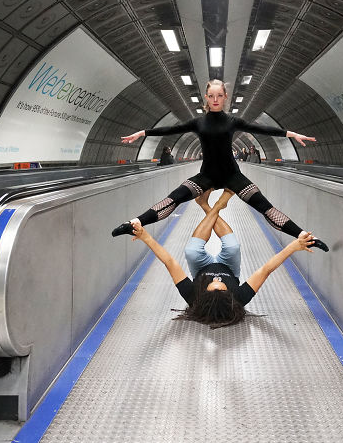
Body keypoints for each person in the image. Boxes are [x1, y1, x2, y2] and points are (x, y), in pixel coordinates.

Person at [113, 79, 329, 252]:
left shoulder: (233, 122)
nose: (215, 99)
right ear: (206, 97)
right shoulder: (198, 123)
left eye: (219, 95)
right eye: (211, 95)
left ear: (225, 97)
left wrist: (292, 134)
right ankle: (134, 224)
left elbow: (262, 130)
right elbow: (169, 130)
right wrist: (141, 133)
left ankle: (306, 237)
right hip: (206, 176)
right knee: (174, 198)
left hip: (232, 176)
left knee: (265, 206)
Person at [131, 188, 316, 328]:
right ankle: (214, 204)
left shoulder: (193, 295)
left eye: (212, 284)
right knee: (233, 246)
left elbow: (170, 262)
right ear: (229, 295)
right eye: (222, 285)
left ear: (204, 292)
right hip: (229, 266)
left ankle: (210, 204)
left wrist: (145, 237)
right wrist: (294, 246)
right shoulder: (239, 298)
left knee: (191, 252)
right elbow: (265, 270)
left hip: (200, 267)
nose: (217, 279)